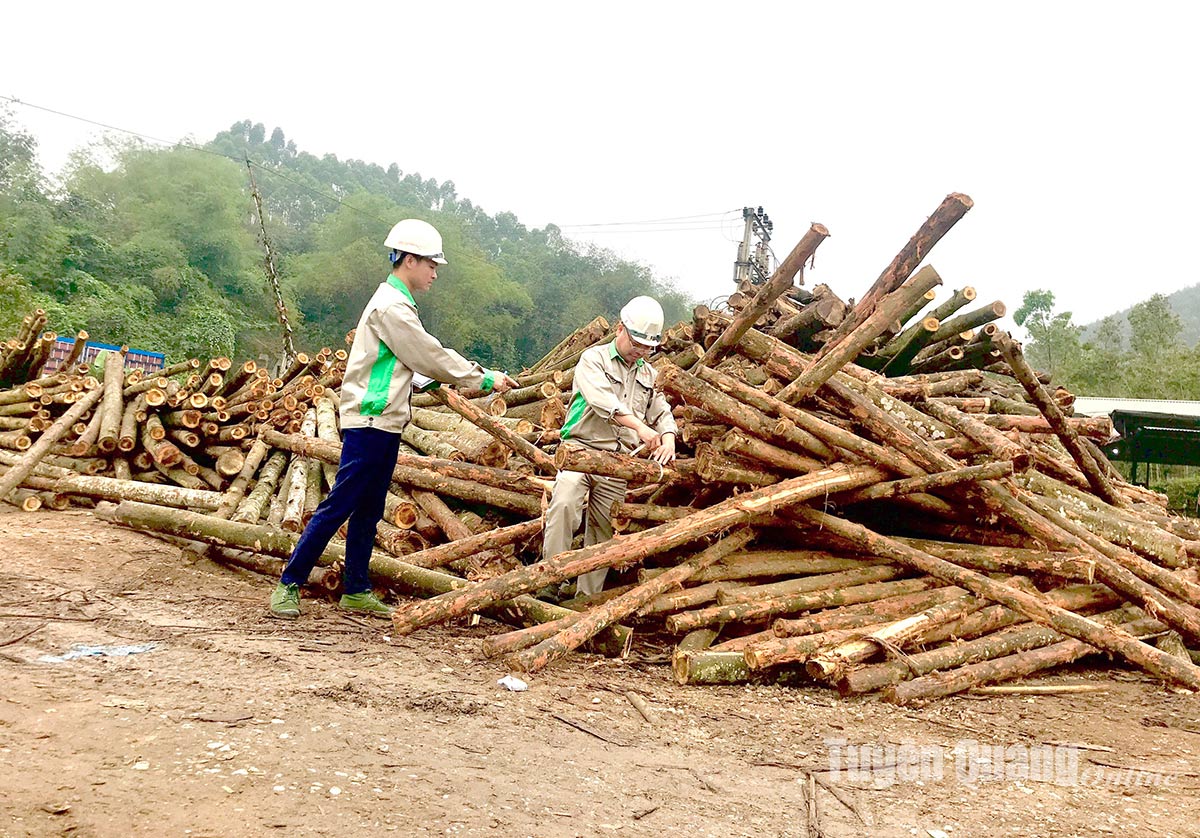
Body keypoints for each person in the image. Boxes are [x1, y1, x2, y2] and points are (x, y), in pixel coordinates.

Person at [269, 219, 518, 619]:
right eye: (431, 264)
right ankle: (289, 582)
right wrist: (483, 377)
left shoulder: (398, 304)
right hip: (370, 418)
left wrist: (425, 381)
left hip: (383, 420)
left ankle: (356, 588)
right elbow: (428, 354)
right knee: (340, 504)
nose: (435, 272)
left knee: (369, 507)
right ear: (409, 260)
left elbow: (406, 362)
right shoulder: (392, 307)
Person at [542, 295, 678, 596]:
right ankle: (550, 580)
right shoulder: (593, 360)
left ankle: (585, 598)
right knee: (564, 501)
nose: (640, 352)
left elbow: (661, 410)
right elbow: (604, 401)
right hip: (580, 450)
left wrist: (667, 436)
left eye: (647, 347)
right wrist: (640, 427)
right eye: (637, 344)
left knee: (603, 531)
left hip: (618, 463)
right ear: (620, 329)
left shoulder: (648, 373)